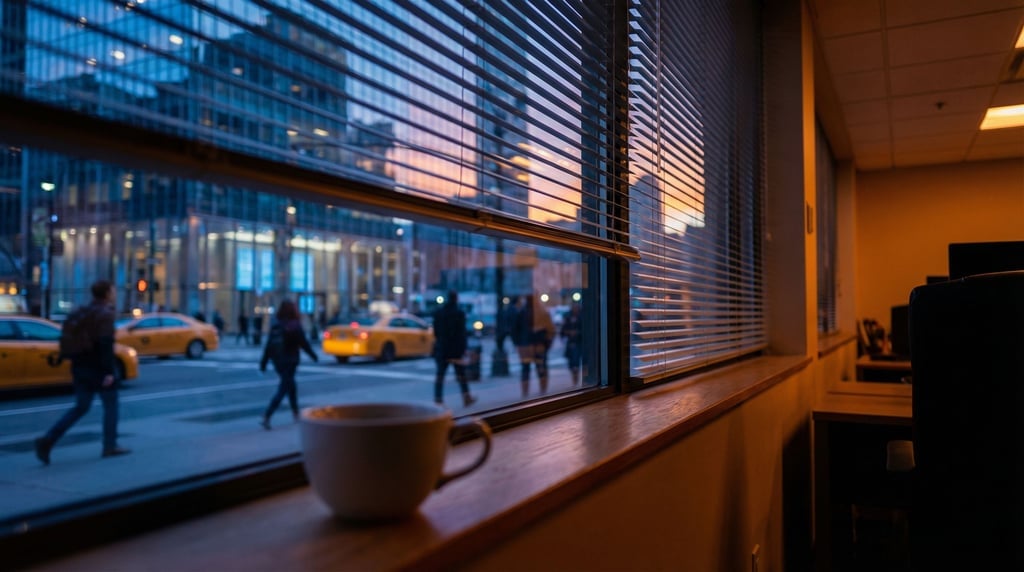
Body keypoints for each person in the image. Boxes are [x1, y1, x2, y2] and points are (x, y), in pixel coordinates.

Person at [34, 280, 130, 464]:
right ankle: (110, 445)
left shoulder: (82, 311)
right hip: (97, 369)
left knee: (81, 406)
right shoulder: (105, 314)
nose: (114, 293)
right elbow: (105, 344)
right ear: (107, 293)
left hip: (79, 366)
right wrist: (108, 372)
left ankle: (48, 440)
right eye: (113, 290)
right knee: (111, 405)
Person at [259, 299, 318, 430]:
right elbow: (303, 343)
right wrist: (313, 355)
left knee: (291, 385)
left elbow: (269, 345)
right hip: (291, 360)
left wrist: (263, 362)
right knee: (284, 387)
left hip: (277, 361)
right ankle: (267, 415)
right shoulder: (294, 325)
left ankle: (296, 413)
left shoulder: (276, 324)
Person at [431, 291, 478, 408]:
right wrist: (464, 349)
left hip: (442, 348)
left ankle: (438, 400)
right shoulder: (459, 313)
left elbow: (435, 331)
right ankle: (466, 397)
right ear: (456, 299)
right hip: (456, 349)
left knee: (440, 375)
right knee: (461, 375)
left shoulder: (439, 313)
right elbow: (462, 333)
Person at [512, 294, 555, 397]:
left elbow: (514, 331)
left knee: (526, 370)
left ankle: (525, 393)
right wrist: (546, 344)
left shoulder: (522, 312)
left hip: (526, 345)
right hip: (538, 345)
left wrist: (518, 344)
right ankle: (542, 392)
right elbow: (550, 331)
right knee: (541, 369)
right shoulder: (541, 312)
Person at [560, 302, 583, 385]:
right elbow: (563, 330)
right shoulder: (568, 317)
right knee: (571, 362)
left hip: (579, 342)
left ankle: (575, 379)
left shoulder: (581, 317)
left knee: (576, 361)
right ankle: (574, 379)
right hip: (570, 342)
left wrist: (577, 333)